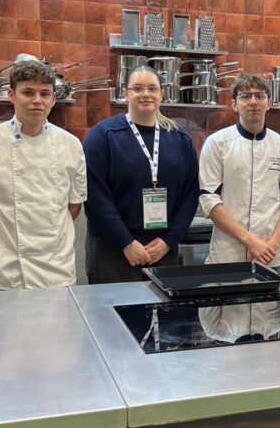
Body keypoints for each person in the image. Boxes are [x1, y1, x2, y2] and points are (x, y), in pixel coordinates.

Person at [0, 61, 86, 290]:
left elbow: (73, 206)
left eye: (44, 94)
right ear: (11, 95)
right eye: (28, 93)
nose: (37, 100)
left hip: (55, 271)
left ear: (53, 99)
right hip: (2, 272)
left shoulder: (71, 145)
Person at [82, 64, 200, 283]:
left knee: (161, 306)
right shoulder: (103, 136)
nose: (145, 94)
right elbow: (95, 197)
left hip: (161, 251)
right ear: (126, 93)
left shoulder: (180, 139)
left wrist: (168, 241)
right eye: (137, 88)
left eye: (152, 88)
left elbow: (190, 195)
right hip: (112, 251)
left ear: (161, 94)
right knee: (113, 307)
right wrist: (126, 243)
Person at [198, 74, 280, 266]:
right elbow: (209, 200)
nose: (253, 102)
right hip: (228, 256)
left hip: (272, 255)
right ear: (234, 104)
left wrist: (270, 246)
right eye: (245, 96)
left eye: (259, 96)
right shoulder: (216, 143)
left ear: (269, 103)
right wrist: (251, 242)